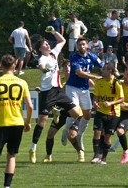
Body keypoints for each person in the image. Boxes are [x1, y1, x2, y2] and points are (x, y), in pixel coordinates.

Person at [0, 54, 33, 188]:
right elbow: (30, 106)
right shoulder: (22, 83)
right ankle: (7, 186)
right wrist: (27, 122)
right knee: (11, 155)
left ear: (1, 66)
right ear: (14, 66)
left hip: (1, 123)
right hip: (17, 123)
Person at [29, 26, 81, 164]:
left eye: (47, 42)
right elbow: (41, 67)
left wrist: (53, 32)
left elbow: (62, 40)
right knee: (42, 122)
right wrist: (46, 68)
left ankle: (57, 111)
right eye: (44, 44)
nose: (47, 44)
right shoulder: (42, 59)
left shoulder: (53, 53)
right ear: (40, 49)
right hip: (47, 93)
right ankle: (33, 149)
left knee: (77, 114)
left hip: (58, 91)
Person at [64, 37, 103, 152]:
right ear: (77, 46)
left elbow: (103, 66)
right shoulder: (74, 57)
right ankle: (66, 130)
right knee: (75, 112)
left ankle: (80, 135)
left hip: (84, 89)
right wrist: (95, 77)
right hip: (72, 88)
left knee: (87, 115)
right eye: (79, 45)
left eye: (83, 44)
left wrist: (112, 73)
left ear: (87, 46)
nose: (81, 46)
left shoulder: (92, 56)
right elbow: (79, 73)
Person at [42, 60, 84, 163]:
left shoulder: (76, 80)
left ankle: (80, 152)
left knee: (72, 136)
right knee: (50, 133)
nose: (67, 67)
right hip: (62, 112)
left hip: (75, 112)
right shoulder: (59, 81)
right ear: (62, 69)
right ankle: (48, 156)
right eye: (65, 66)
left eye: (69, 65)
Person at [91, 63, 124, 164]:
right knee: (97, 132)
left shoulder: (116, 83)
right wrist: (95, 103)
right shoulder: (99, 82)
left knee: (107, 137)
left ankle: (104, 158)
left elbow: (122, 99)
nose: (102, 70)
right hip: (100, 112)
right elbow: (96, 96)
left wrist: (111, 103)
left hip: (113, 114)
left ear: (109, 71)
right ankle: (96, 156)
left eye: (104, 69)